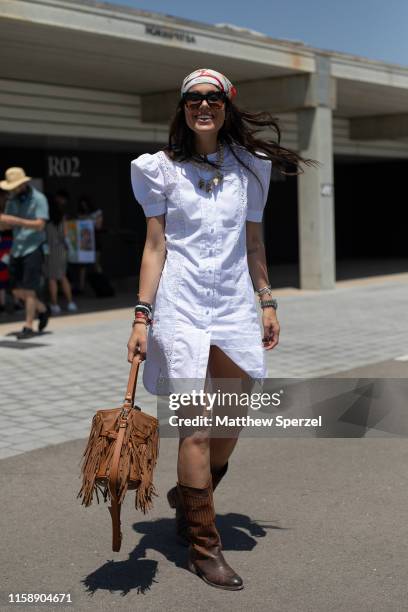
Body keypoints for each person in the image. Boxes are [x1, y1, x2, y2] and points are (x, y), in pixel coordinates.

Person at [127, 68, 311, 590]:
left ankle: (191, 493)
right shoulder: (158, 169)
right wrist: (143, 315)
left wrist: (267, 302)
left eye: (212, 99)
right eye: (192, 99)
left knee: (235, 409)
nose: (202, 106)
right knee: (196, 425)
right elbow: (155, 247)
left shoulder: (251, 169)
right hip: (180, 303)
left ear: (226, 107)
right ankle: (204, 547)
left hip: (232, 302)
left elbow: (254, 245)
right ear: (182, 108)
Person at [0, 167, 50, 339]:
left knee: (29, 289)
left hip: (34, 247)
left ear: (23, 184)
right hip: (17, 248)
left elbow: (40, 225)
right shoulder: (11, 201)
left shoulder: (39, 198)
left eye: (14, 187)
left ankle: (28, 325)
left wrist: (15, 221)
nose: (12, 190)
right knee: (14, 290)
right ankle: (43, 309)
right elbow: (7, 225)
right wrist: (4, 222)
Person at [45, 191, 77, 315]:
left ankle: (54, 304)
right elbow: (65, 234)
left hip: (49, 250)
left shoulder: (45, 218)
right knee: (63, 276)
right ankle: (70, 302)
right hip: (61, 249)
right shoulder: (62, 216)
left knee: (52, 278)